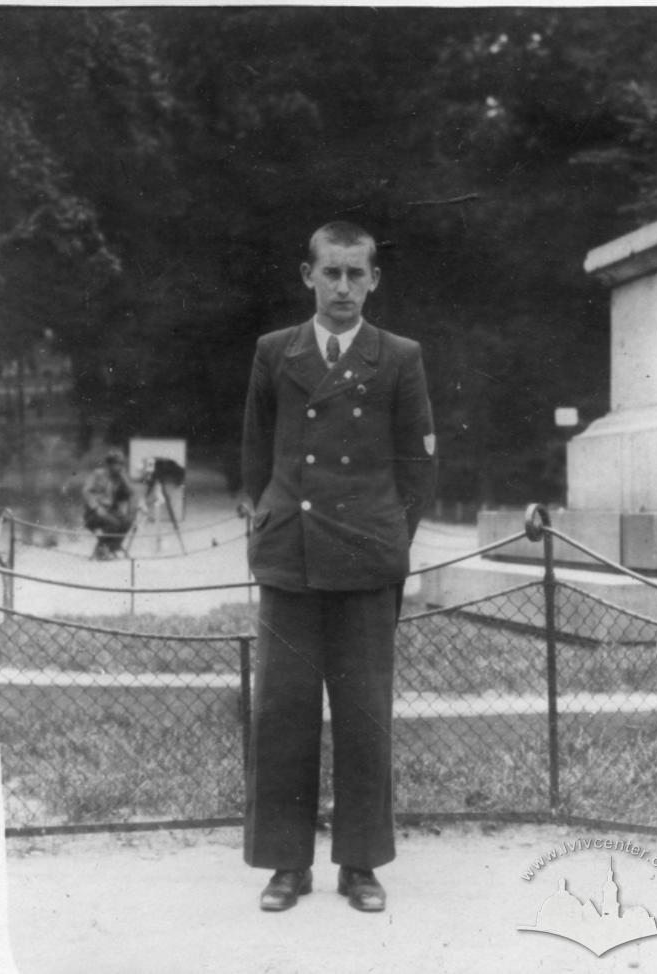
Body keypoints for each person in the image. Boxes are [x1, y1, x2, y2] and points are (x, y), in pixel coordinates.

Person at [241, 220, 437, 913]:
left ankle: (361, 865)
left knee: (363, 717)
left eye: (357, 274)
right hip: (291, 558)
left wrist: (383, 536)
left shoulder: (399, 356)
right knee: (283, 714)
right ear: (308, 275)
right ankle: (285, 866)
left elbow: (417, 469)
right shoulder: (275, 352)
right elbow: (257, 456)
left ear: (374, 280)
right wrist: (271, 523)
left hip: (365, 561)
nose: (344, 287)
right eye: (332, 272)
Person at [82, 448, 135, 559]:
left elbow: (130, 493)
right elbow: (86, 492)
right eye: (116, 464)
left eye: (121, 464)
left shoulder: (119, 478)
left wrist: (124, 478)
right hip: (93, 513)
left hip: (110, 512)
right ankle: (102, 550)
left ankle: (111, 548)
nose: (119, 467)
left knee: (127, 521)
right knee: (114, 523)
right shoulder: (97, 474)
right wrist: (96, 508)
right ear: (109, 464)